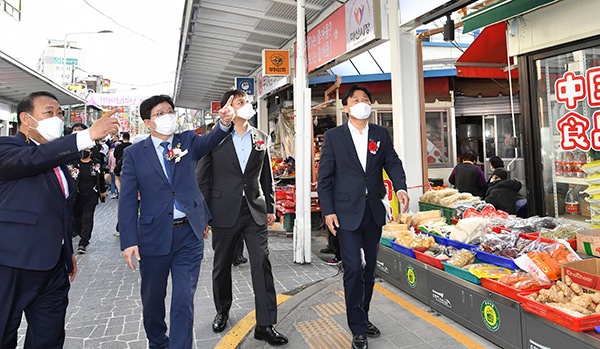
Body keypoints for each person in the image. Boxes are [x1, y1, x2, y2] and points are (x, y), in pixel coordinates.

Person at [0, 91, 118, 348]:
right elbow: (32, 160)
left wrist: (68, 252)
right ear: (26, 119)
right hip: (10, 264)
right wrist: (86, 135)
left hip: (53, 268)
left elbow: (61, 210)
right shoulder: (7, 147)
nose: (57, 118)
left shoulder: (60, 161)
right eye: (49, 112)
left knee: (49, 338)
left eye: (59, 113)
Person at [118, 94, 233, 349]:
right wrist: (128, 241)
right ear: (148, 122)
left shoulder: (188, 141)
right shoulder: (135, 153)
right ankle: (158, 342)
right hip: (153, 237)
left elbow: (212, 140)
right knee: (152, 299)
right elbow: (126, 199)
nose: (168, 116)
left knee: (183, 299)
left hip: (188, 236)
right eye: (160, 113)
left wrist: (224, 123)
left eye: (170, 111)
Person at [317, 85, 409, 349]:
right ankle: (357, 328)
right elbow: (325, 178)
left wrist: (400, 187)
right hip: (345, 213)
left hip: (373, 212)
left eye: (365, 99)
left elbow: (392, 162)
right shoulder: (334, 137)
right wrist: (329, 211)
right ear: (345, 107)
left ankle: (363, 315)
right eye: (355, 100)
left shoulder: (380, 134)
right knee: (353, 268)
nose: (361, 103)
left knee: (369, 270)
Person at [197, 89, 288, 346]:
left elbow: (266, 175)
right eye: (241, 102)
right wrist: (204, 213)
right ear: (229, 107)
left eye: (247, 101)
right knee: (222, 264)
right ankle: (222, 310)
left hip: (254, 210)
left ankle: (266, 324)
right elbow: (202, 178)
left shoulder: (260, 137)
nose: (247, 105)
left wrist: (270, 207)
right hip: (223, 210)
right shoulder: (213, 139)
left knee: (261, 263)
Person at [69, 145, 107, 254]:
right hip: (76, 196)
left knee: (87, 218)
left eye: (86, 150)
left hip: (91, 194)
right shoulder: (73, 164)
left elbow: (100, 179)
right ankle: (80, 233)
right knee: (76, 218)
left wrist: (102, 191)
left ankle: (83, 242)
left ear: (90, 151)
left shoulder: (96, 164)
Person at [113, 131, 132, 198]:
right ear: (129, 138)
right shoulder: (132, 146)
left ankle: (119, 191)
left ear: (122, 138)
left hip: (119, 165)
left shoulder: (118, 147)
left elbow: (114, 155)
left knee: (117, 178)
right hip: (130, 165)